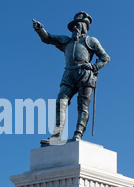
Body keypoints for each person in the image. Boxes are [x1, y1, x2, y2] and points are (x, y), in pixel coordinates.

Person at [32, 11, 110, 145]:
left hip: (85, 74)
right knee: (60, 102)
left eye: (78, 25)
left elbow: (105, 58)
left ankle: (78, 134)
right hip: (69, 73)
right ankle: (56, 135)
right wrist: (40, 30)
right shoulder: (66, 41)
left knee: (82, 106)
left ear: (84, 26)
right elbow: (48, 38)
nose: (75, 27)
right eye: (74, 25)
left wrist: (94, 67)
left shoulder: (91, 41)